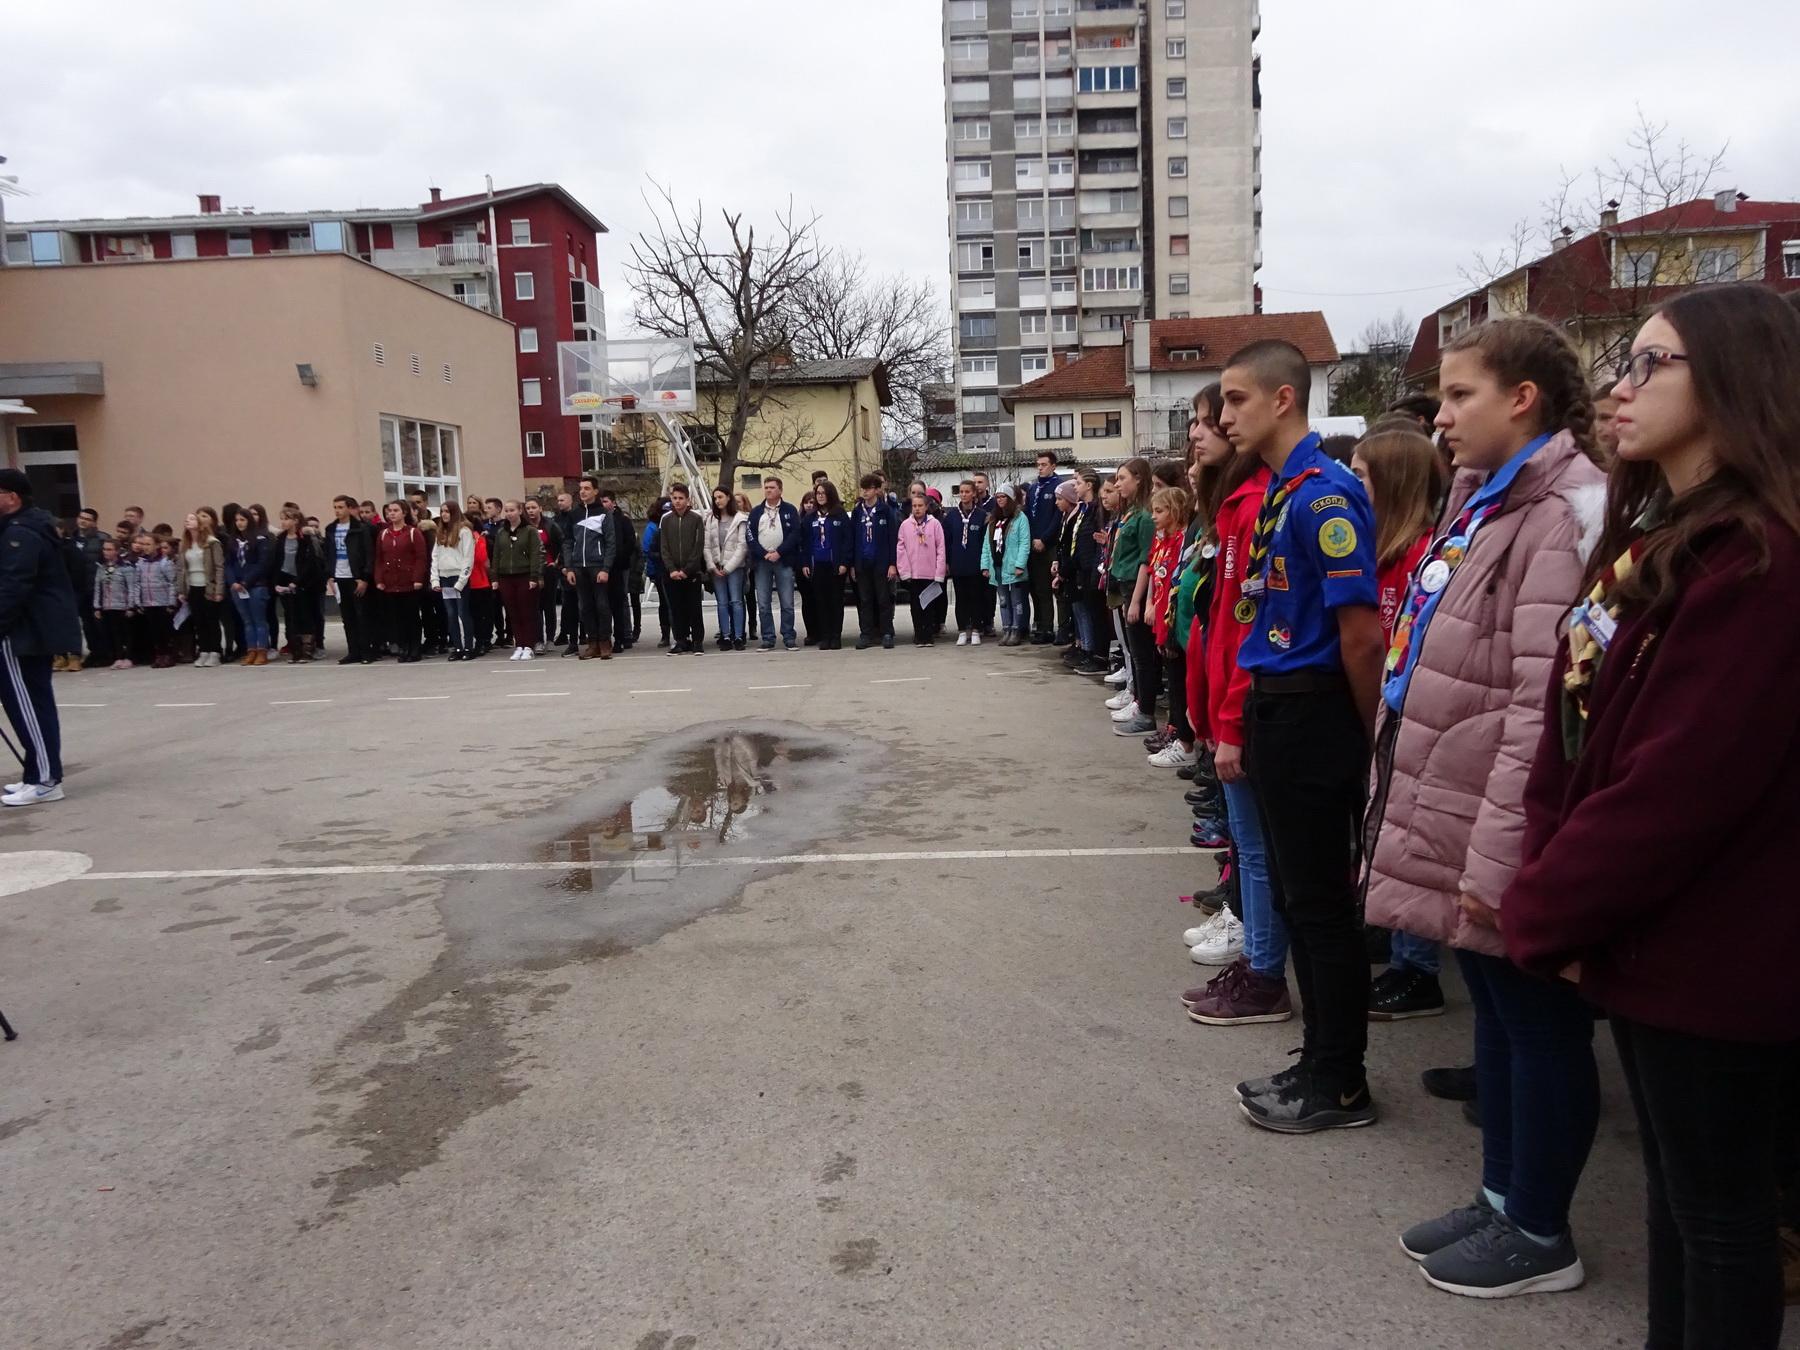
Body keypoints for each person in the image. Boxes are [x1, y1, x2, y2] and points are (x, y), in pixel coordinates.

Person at [1502, 285, 1800, 1347]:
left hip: (1715, 946)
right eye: (1625, 364)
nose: (1620, 390)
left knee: (1719, 1219)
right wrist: (1557, 887)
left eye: (1651, 365)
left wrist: (1545, 911)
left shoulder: (1762, 559)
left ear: (1733, 383)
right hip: (1649, 935)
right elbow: (1574, 727)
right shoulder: (1658, 534)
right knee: (1681, 1205)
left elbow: (1680, 785)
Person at [1362, 316, 1610, 1299]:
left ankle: (1541, 1228)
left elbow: (1535, 704)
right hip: (1458, 802)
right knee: (1499, 1018)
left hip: (1503, 822)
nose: (1442, 416)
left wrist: (1496, 859)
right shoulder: (1486, 504)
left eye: (1460, 395)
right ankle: (1501, 1192)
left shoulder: (1562, 512)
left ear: (1524, 400)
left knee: (1537, 1020)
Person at [1219, 338, 1385, 1136]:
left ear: (1283, 399)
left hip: (1316, 709)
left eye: (1236, 400)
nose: (1223, 416)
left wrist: (1360, 729)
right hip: (1278, 706)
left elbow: (1361, 633)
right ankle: (1321, 1055)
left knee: (1321, 907)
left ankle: (1340, 1078)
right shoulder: (1284, 493)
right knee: (1295, 895)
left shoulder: (1323, 496)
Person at [1183, 387, 1287, 1013]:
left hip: (1245, 711)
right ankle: (1257, 955)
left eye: (1212, 419)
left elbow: (1253, 629)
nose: (1204, 430)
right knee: (1249, 846)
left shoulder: (1256, 506)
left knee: (1258, 850)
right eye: (1198, 421)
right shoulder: (1229, 509)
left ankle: (1263, 968)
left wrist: (1228, 721)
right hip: (1227, 705)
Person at [1349, 427, 1453, 1011]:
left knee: (1406, 834)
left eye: (1362, 474)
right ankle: (1391, 932)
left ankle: (1419, 967)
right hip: (1385, 711)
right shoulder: (1381, 545)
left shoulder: (1422, 553)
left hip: (1406, 714)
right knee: (1383, 829)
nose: (1352, 484)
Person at [0, 470, 81, 804]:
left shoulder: (21, 533)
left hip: (21, 631)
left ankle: (46, 779)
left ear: (12, 497)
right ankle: (35, 773)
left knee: (28, 705)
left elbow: (13, 585)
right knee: (31, 703)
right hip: (28, 629)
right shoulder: (27, 527)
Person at [1103, 458, 1156, 732]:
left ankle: (1145, 708)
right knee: (1134, 651)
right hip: (1124, 586)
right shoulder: (1131, 513)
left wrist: (1136, 600)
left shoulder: (1146, 517)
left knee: (1142, 654)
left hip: (1136, 587)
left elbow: (1147, 560)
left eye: (1122, 478)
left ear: (1138, 479)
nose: (1118, 483)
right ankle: (1138, 700)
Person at [1145, 486, 1196, 756]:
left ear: (1175, 511)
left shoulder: (1181, 541)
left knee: (1178, 679)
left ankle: (1180, 731)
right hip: (1162, 619)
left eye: (1160, 510)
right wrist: (1150, 603)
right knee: (1172, 674)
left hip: (1174, 619)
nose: (1153, 516)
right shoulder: (1162, 540)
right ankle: (1174, 726)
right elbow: (1157, 574)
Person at [563, 475, 617, 661]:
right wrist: (569, 567)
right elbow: (568, 541)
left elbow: (611, 542)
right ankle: (592, 643)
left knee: (602, 605)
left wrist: (606, 568)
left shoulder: (604, 513)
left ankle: (604, 642)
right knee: (585, 607)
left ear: (595, 491)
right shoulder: (574, 514)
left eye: (587, 488)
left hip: (598, 566)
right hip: (579, 567)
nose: (583, 491)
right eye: (581, 488)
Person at [747, 477, 803, 651]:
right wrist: (764, 554)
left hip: (783, 560)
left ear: (780, 490)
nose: (768, 490)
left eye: (772, 487)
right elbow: (750, 537)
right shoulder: (756, 512)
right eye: (766, 487)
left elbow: (795, 534)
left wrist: (779, 552)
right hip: (762, 561)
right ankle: (768, 638)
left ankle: (788, 636)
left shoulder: (790, 510)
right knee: (763, 603)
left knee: (787, 601)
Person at [373, 499, 427, 664]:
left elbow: (421, 557)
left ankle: (415, 648)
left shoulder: (412, 532)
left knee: (411, 616)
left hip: (409, 582)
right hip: (391, 582)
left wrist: (417, 578)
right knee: (397, 619)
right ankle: (404, 648)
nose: (392, 514)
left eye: (395, 510)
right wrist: (379, 578)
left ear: (404, 513)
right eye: (390, 511)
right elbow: (379, 559)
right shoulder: (384, 534)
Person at [324, 495, 375, 665]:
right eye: (335, 507)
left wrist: (364, 578)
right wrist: (330, 576)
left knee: (361, 615)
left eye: (340, 507)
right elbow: (328, 554)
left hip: (356, 577)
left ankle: (366, 651)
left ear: (349, 508)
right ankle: (353, 651)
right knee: (347, 617)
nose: (337, 511)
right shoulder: (331, 529)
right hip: (339, 577)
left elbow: (368, 554)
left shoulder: (360, 528)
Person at [656, 483, 707, 654]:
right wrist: (671, 569)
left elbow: (698, 546)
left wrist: (687, 569)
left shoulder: (696, 519)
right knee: (676, 608)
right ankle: (681, 639)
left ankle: (697, 640)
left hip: (691, 572)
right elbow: (664, 547)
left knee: (693, 607)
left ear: (687, 500)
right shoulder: (666, 519)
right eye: (674, 498)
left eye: (680, 498)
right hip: (672, 572)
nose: (677, 502)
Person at [491, 500, 545, 660]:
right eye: (506, 511)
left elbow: (537, 554)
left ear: (520, 511)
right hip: (506, 576)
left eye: (512, 510)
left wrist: (534, 576)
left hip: (525, 575)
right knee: (513, 612)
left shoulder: (529, 531)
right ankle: (519, 644)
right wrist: (495, 577)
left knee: (527, 612)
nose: (509, 513)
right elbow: (496, 556)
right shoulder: (501, 532)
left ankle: (529, 645)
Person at [802, 482, 852, 650]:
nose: (820, 496)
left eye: (823, 493)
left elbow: (847, 540)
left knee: (835, 602)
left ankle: (836, 636)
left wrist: (845, 562)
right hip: (817, 565)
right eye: (818, 493)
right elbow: (805, 542)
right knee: (820, 602)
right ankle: (825, 636)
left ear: (830, 494)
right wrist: (805, 563)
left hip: (835, 565)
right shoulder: (810, 518)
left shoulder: (840, 515)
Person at [270, 507, 323, 663]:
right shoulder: (280, 539)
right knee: (291, 617)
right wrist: (276, 582)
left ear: (296, 520)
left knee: (305, 616)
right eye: (282, 519)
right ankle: (296, 650)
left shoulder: (304, 538)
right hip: (285, 579)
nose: (283, 522)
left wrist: (297, 581)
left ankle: (307, 650)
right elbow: (277, 561)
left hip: (302, 582)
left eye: (287, 518)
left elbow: (309, 563)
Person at [896, 490, 947, 646]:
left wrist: (939, 572)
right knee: (916, 607)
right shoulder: (905, 525)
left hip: (930, 573)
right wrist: (904, 571)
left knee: (929, 605)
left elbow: (940, 548)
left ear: (926, 507)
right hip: (914, 574)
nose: (917, 509)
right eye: (914, 506)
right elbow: (901, 549)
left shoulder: (935, 524)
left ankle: (928, 635)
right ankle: (919, 635)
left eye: (920, 506)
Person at [224, 507, 274, 666]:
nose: (239, 523)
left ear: (249, 521)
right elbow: (228, 564)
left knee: (259, 619)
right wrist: (232, 582)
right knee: (247, 620)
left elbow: (262, 564)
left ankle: (262, 651)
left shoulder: (260, 539)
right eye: (237, 520)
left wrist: (246, 582)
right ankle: (250, 650)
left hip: (255, 585)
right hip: (237, 587)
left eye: (243, 520)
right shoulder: (232, 541)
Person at [981, 486, 1030, 645]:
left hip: (1013, 566)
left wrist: (1020, 564)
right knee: (1003, 600)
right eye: (998, 497)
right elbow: (987, 545)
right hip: (998, 565)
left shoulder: (1020, 518)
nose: (1000, 499)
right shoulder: (993, 519)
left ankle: (1017, 629)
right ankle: (1007, 628)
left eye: (1003, 496)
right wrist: (985, 565)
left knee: (1017, 601)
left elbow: (1024, 543)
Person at [944, 480, 991, 646]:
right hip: (958, 563)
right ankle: (963, 629)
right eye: (961, 492)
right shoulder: (951, 516)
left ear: (973, 494)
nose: (964, 495)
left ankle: (977, 629)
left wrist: (985, 563)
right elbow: (947, 541)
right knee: (961, 598)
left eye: (967, 492)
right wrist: (947, 562)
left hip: (975, 563)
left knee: (976, 598)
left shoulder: (982, 515)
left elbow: (985, 542)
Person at [179, 510, 226, 668]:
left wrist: (218, 590)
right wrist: (182, 590)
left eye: (192, 519)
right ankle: (204, 650)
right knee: (199, 621)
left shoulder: (212, 543)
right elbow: (182, 569)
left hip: (208, 586)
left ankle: (215, 652)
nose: (188, 521)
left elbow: (219, 567)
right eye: (186, 519)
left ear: (200, 524)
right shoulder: (185, 544)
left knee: (211, 620)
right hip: (193, 587)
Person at [705, 487, 749, 651]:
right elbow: (707, 545)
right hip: (717, 567)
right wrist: (712, 565)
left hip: (735, 567)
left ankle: (738, 635)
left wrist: (729, 567)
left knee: (736, 601)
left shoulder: (740, 519)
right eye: (715, 498)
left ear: (728, 498)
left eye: (720, 497)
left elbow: (742, 546)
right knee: (722, 602)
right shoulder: (711, 519)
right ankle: (725, 635)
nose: (718, 501)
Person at [432, 502, 477, 660]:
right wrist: (435, 580)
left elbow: (468, 558)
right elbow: (435, 557)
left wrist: (461, 582)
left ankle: (469, 647)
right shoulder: (440, 533)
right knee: (451, 614)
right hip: (445, 578)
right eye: (442, 511)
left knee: (463, 613)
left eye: (447, 511)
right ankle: (457, 647)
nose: (444, 514)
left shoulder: (464, 532)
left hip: (459, 578)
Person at [600, 490, 638, 652]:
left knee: (622, 600)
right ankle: (606, 636)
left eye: (606, 501)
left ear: (613, 502)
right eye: (601, 501)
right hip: (604, 566)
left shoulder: (622, 520)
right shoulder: (599, 520)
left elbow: (630, 542)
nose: (603, 504)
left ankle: (625, 635)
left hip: (621, 565)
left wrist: (621, 557)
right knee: (605, 602)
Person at [524, 498, 562, 655]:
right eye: (528, 508)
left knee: (549, 605)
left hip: (548, 569)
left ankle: (550, 639)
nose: (531, 511)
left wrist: (557, 562)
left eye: (533, 507)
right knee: (535, 606)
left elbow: (562, 543)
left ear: (540, 508)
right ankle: (538, 640)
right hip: (531, 571)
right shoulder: (524, 527)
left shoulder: (550, 525)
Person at [642, 498, 669, 650]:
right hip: (659, 570)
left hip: (670, 569)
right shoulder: (653, 527)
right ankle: (665, 634)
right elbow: (647, 550)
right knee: (664, 603)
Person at [734, 492, 760, 644]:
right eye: (735, 501)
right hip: (734, 563)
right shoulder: (730, 518)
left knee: (750, 596)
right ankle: (738, 627)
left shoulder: (750, 518)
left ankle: (752, 626)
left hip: (749, 562)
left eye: (740, 501)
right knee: (736, 598)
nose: (737, 504)